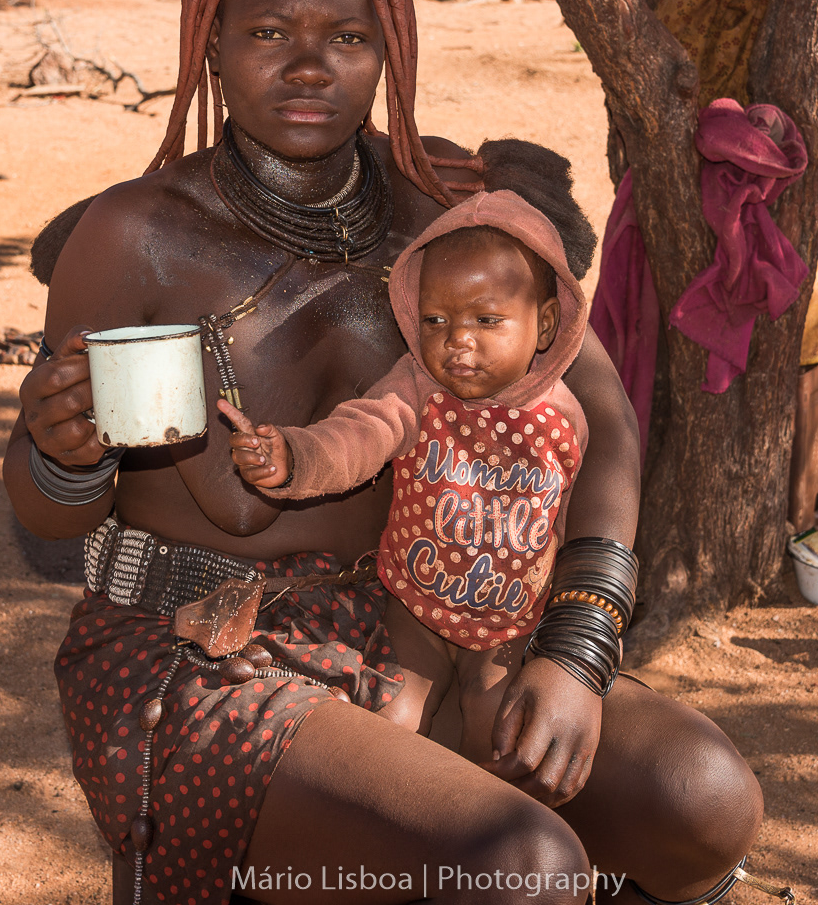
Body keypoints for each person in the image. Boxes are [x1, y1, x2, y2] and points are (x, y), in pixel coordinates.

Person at [7, 0, 761, 905]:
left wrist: (579, 642)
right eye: (268, 35)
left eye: (347, 39)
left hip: (424, 633)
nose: (309, 68)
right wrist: (62, 456)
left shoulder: (450, 221)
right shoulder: (136, 235)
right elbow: (44, 524)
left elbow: (597, 410)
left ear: (391, 50)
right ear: (211, 41)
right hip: (193, 661)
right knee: (522, 869)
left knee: (699, 799)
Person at [222, 188, 594, 763]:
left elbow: (574, 523)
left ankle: (484, 847)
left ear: (544, 325)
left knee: (498, 735)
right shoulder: (416, 388)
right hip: (416, 609)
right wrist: (295, 456)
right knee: (390, 722)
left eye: (487, 320)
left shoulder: (562, 420)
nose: (457, 340)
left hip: (511, 624)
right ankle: (396, 830)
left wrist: (566, 635)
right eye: (436, 319)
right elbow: (358, 435)